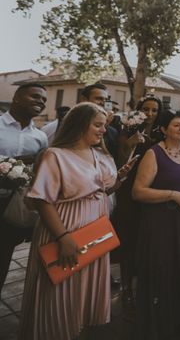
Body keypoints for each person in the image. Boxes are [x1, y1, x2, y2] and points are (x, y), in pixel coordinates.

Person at [19, 103, 135, 340]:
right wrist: (63, 238)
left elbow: (105, 190)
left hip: (94, 231)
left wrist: (121, 175)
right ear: (80, 124)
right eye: (98, 125)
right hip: (65, 229)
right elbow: (42, 201)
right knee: (58, 292)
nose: (104, 130)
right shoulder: (55, 155)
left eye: (104, 125)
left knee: (80, 293)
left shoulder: (99, 155)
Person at [132, 110, 180, 339]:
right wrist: (172, 194)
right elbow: (138, 192)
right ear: (163, 130)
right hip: (162, 223)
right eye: (176, 125)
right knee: (165, 268)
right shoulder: (153, 154)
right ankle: (162, 323)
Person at [111, 95, 163, 308]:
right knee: (128, 241)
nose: (150, 114)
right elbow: (119, 164)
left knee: (147, 241)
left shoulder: (161, 132)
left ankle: (144, 286)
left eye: (154, 110)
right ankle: (126, 288)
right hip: (128, 193)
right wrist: (130, 145)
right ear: (139, 111)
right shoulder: (127, 131)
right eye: (146, 109)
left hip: (151, 191)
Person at [0, 83, 48, 291]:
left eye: (44, 100)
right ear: (17, 98)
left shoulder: (40, 137)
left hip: (12, 205)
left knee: (2, 258)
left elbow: (41, 170)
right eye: (35, 96)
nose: (41, 102)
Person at [79, 84, 119, 158]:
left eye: (105, 100)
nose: (103, 103)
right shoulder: (72, 121)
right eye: (99, 99)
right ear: (84, 99)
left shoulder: (113, 131)